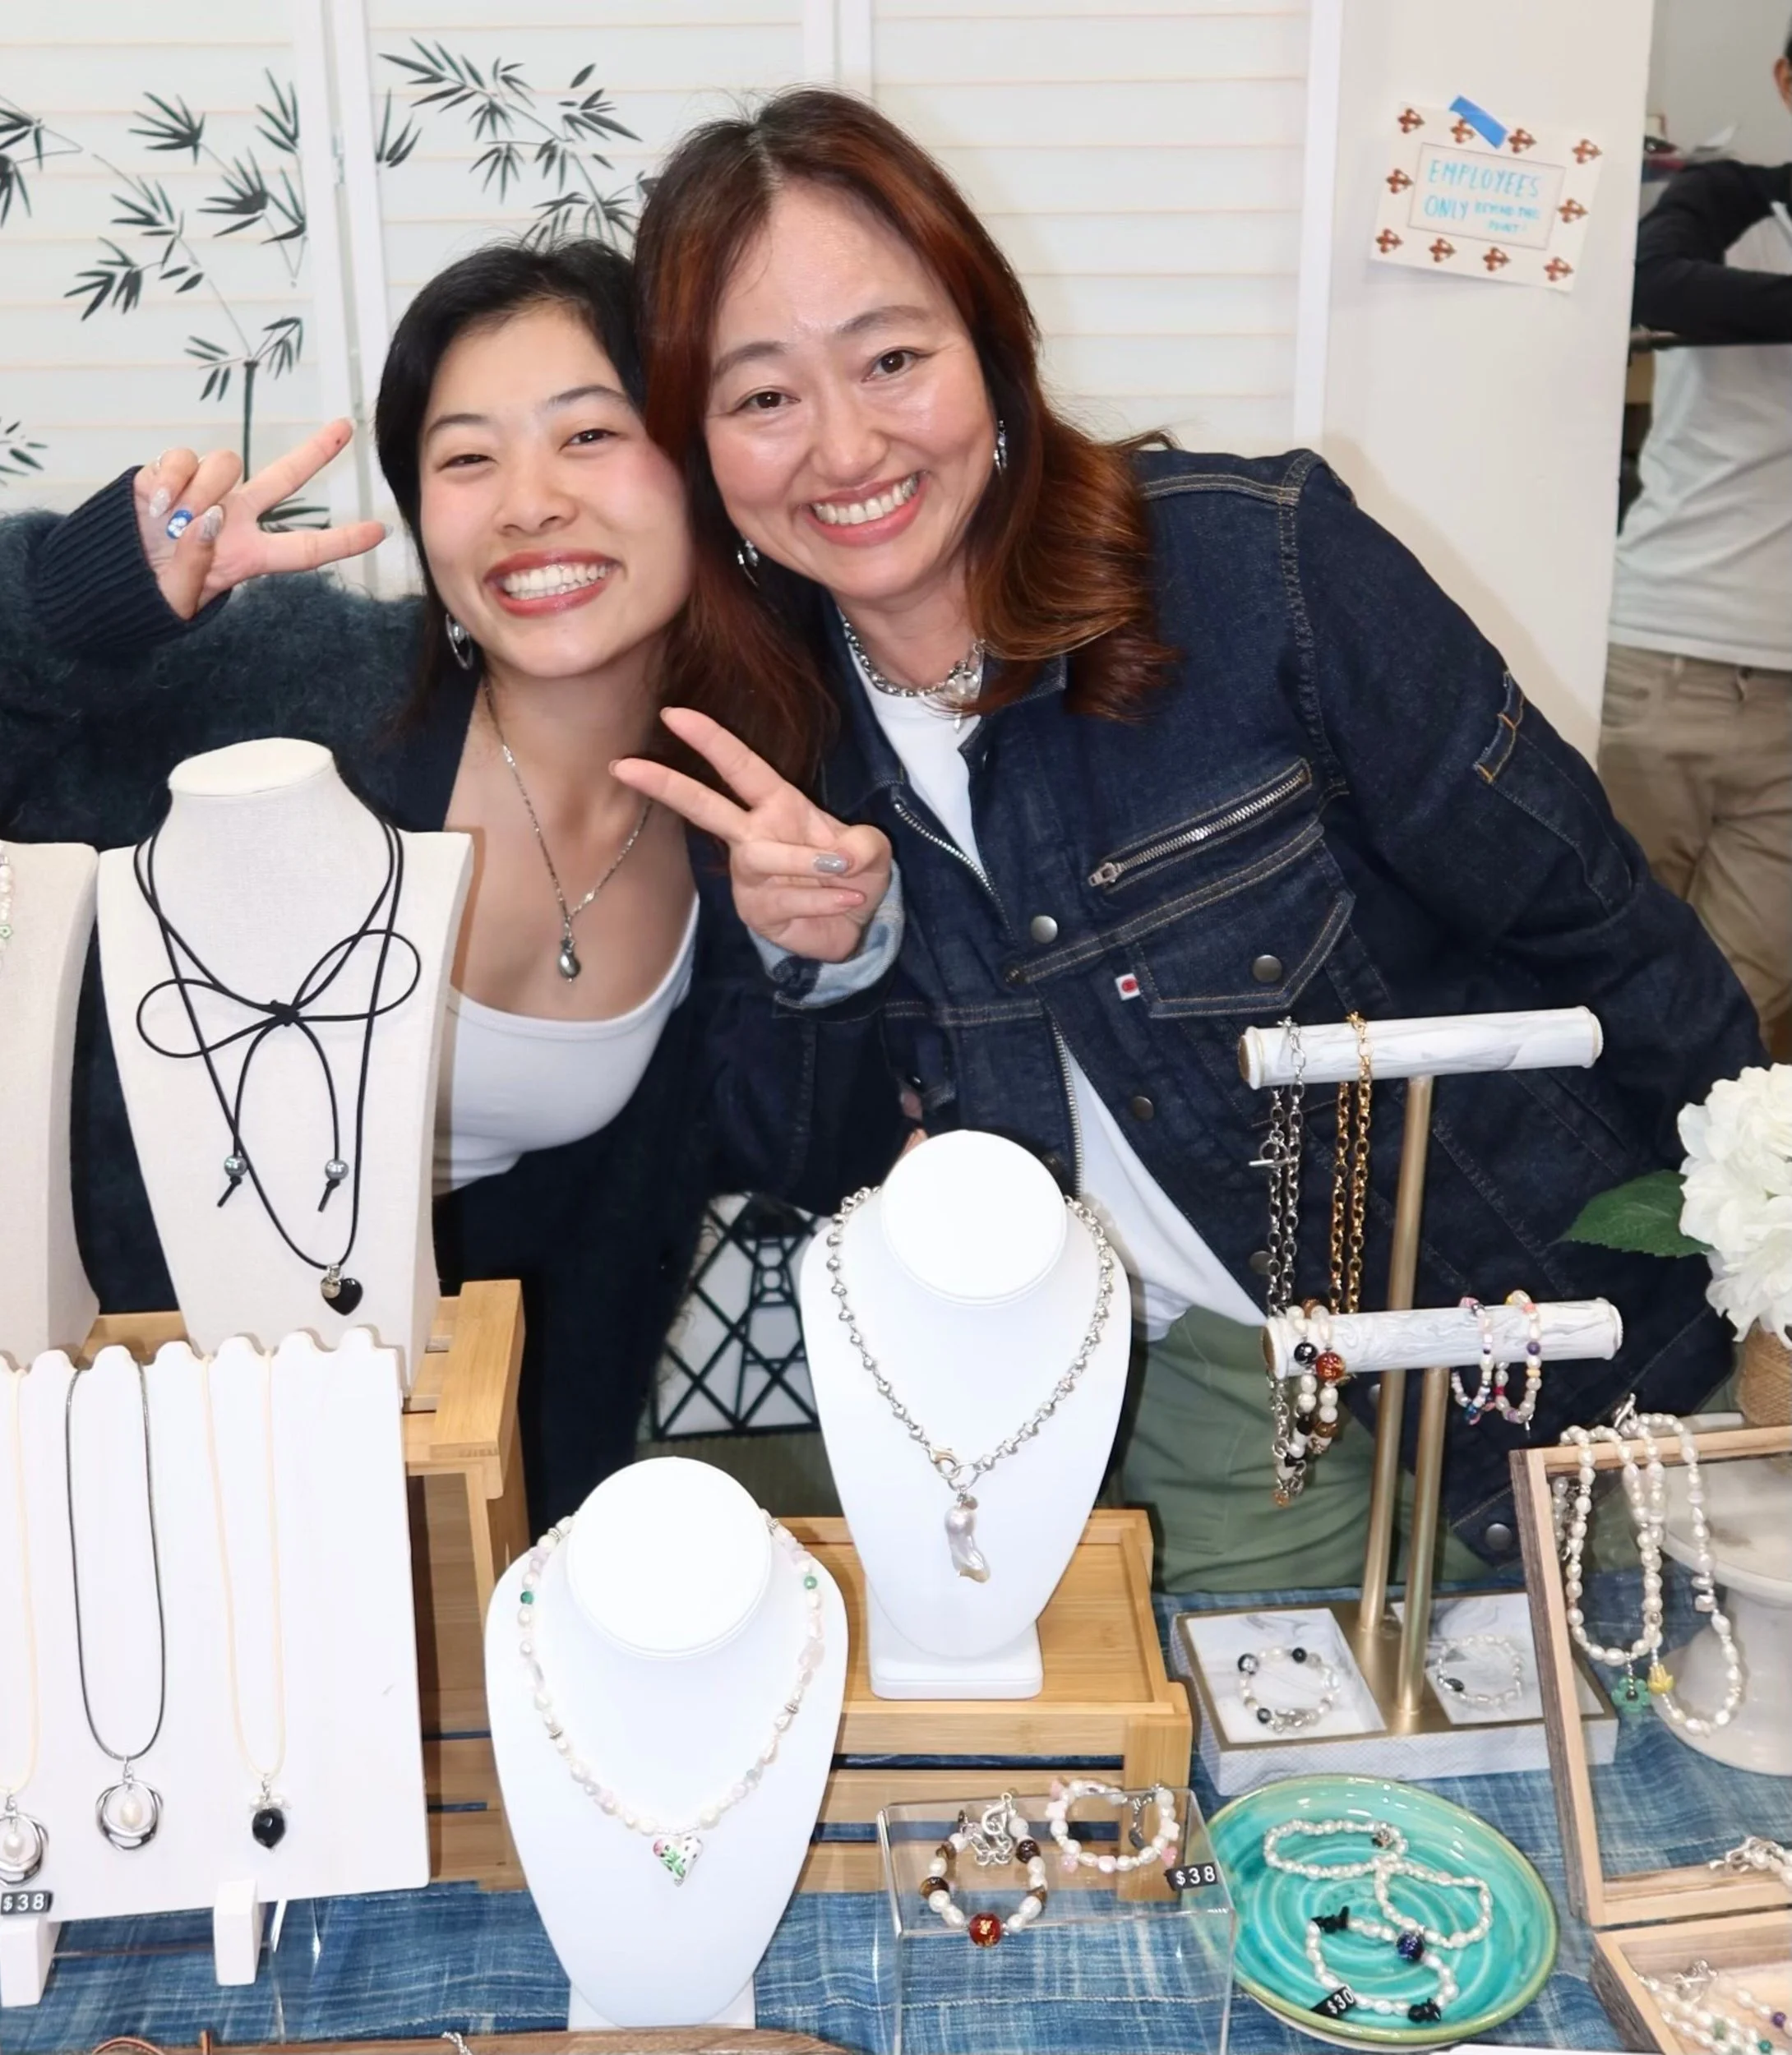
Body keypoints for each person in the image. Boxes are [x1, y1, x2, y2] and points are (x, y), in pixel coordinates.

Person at [613, 90, 1765, 1591]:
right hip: (1203, 1393)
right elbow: (816, 1182)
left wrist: (1753, 1275)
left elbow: (1605, 933)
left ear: (992, 350)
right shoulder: (752, 738)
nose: (844, 445)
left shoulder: (1256, 567)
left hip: (1545, 1328)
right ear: (702, 451)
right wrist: (822, 963)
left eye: (894, 359)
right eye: (761, 398)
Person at [0, 240, 900, 1522]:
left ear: (697, 474)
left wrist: (836, 958)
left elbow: (806, 1158)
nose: (527, 502)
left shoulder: (742, 803)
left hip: (365, 1469)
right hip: (4, 1380)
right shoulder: (289, 684)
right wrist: (79, 608)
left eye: (588, 436)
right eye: (466, 458)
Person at [1600, 21, 1792, 1057]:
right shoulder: (1729, 199)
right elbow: (1653, 285)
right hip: (1661, 660)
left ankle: (1678, 1225)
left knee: (1736, 1040)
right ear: (1784, 82)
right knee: (1594, 989)